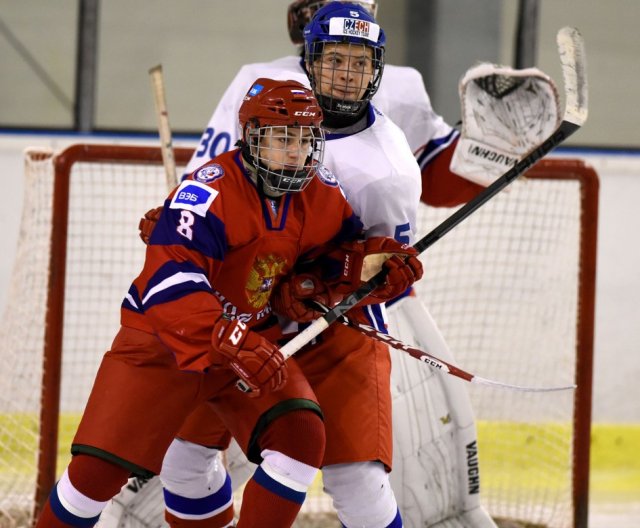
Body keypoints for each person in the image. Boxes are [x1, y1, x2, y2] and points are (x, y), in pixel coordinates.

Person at [133, 1, 561, 526]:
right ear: (310, 52)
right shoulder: (261, 84)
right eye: (334, 59)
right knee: (183, 462)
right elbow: (216, 179)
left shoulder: (392, 148)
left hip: (335, 319)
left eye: (359, 62)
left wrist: (491, 150)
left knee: (356, 475)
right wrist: (179, 213)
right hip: (246, 306)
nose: (345, 73)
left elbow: (398, 238)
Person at [34, 78, 423, 528]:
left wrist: (375, 265)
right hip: (163, 346)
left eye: (304, 140)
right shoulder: (209, 192)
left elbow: (330, 259)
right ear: (251, 138)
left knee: (300, 434)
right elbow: (167, 282)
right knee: (94, 478)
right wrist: (229, 336)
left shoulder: (320, 193)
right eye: (281, 139)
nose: (295, 152)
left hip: (245, 343)